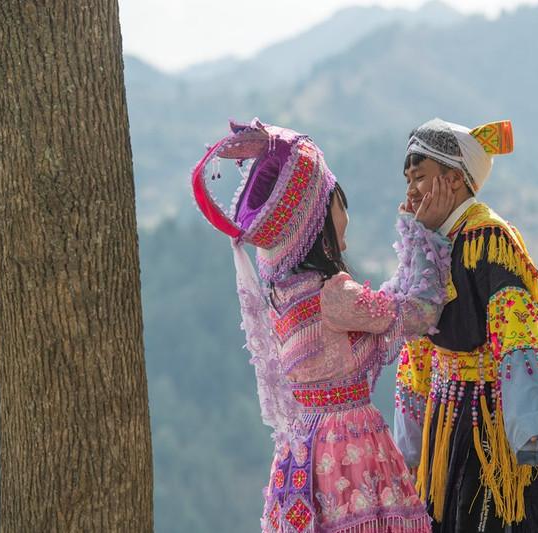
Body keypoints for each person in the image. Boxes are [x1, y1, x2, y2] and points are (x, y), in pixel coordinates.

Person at [191, 118, 455, 533]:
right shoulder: (337, 295)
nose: (344, 213)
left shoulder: (286, 295)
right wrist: (422, 232)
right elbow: (418, 313)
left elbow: (385, 307)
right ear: (318, 214)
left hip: (304, 446)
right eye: (338, 202)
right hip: (350, 447)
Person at [393, 118, 538, 532]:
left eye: (420, 177)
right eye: (408, 180)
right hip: (445, 417)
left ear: (453, 180)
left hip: (487, 421)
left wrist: (533, 422)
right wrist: (409, 443)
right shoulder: (435, 239)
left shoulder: (490, 238)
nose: (410, 191)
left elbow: (518, 335)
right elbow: (415, 344)